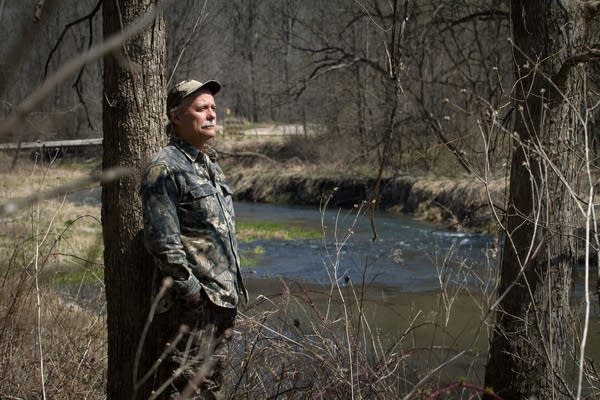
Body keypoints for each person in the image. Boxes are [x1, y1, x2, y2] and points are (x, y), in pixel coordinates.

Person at [141, 79, 247, 399]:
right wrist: (191, 294)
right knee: (183, 391)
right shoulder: (165, 168)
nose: (212, 114)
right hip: (192, 309)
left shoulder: (209, 165)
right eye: (201, 108)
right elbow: (162, 240)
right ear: (176, 117)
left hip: (223, 300)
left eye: (213, 108)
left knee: (210, 390)